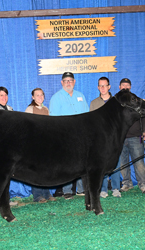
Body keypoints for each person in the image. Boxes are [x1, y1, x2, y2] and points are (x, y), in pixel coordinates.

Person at [49, 72, 89, 200]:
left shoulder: (80, 96)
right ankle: (67, 191)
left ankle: (81, 189)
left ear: (74, 82)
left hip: (81, 135)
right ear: (61, 82)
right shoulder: (56, 97)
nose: (68, 83)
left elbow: (87, 115)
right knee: (66, 163)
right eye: (65, 80)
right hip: (65, 136)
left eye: (70, 80)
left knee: (82, 162)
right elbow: (53, 120)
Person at [90, 77, 121, 198]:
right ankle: (103, 189)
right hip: (100, 139)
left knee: (116, 162)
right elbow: (91, 122)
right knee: (101, 163)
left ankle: (116, 188)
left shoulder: (116, 102)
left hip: (114, 138)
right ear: (98, 87)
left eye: (105, 85)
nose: (103, 88)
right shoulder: (94, 103)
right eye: (100, 86)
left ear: (109, 87)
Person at [119, 78, 145, 194]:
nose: (125, 87)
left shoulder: (137, 101)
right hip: (120, 138)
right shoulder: (117, 103)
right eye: (123, 85)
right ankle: (127, 183)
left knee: (139, 162)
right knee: (123, 162)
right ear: (119, 87)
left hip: (136, 136)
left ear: (130, 87)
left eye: (127, 85)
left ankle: (143, 184)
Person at [25, 88, 56, 203]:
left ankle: (47, 194)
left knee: (46, 169)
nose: (40, 97)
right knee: (36, 170)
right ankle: (37, 195)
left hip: (45, 143)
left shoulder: (45, 109)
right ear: (33, 97)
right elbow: (26, 127)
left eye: (42, 95)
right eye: (37, 95)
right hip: (34, 144)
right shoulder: (30, 109)